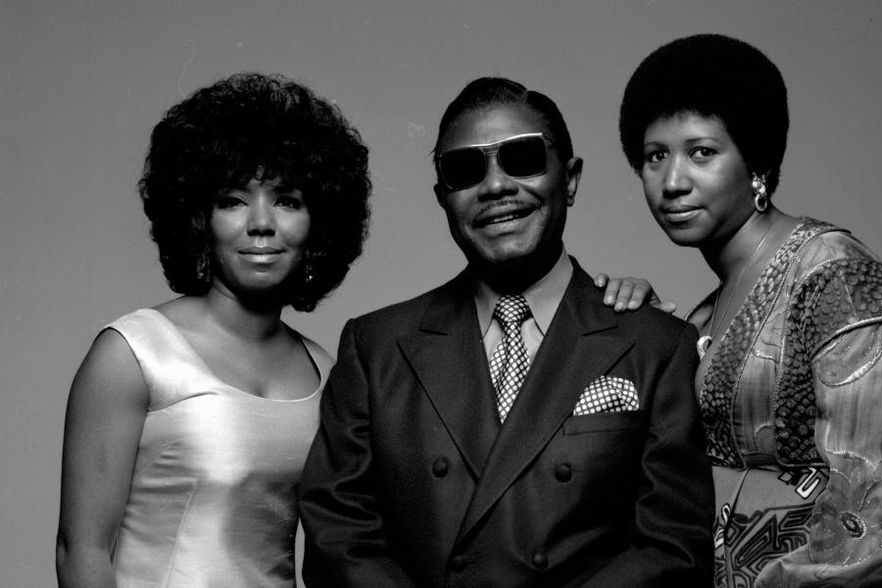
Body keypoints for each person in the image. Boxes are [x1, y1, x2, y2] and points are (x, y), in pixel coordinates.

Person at [298, 76, 714, 587]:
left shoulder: (657, 345)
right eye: (465, 169)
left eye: (522, 158)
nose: (495, 186)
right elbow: (338, 535)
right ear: (444, 198)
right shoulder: (376, 346)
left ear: (571, 179)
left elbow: (673, 547)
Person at [617, 34, 882, 587]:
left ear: (757, 160)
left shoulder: (839, 279)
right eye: (655, 156)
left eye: (701, 152)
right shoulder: (703, 315)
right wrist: (634, 330)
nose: (672, 182)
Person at [55, 72, 371, 588]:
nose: (261, 223)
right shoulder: (134, 355)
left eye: (288, 200)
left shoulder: (327, 373)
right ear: (199, 218)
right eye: (233, 200)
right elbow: (81, 552)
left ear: (319, 221)